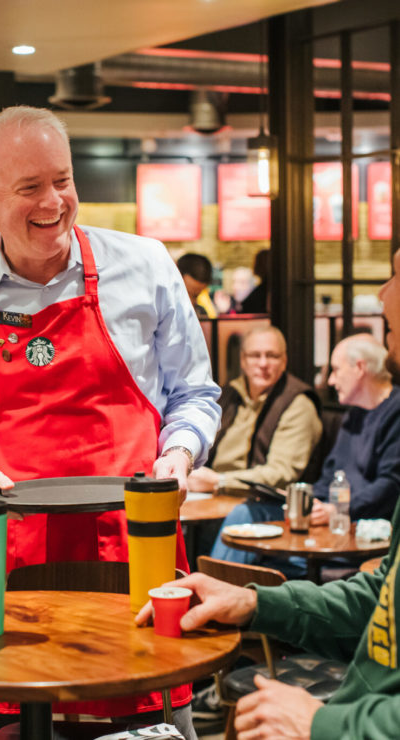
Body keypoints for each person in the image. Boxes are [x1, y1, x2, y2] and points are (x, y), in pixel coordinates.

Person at [0, 105, 222, 739]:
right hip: (7, 563)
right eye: (29, 188)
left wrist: (180, 455)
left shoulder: (147, 266)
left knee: (151, 720)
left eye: (64, 179)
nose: (54, 202)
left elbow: (196, 393)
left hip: (137, 545)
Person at [136, 253, 400, 738]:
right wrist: (252, 602)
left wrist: (325, 724)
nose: (382, 294)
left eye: (397, 275)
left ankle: (205, 686)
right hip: (354, 692)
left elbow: (290, 473)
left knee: (238, 516)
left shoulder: (302, 402)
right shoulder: (236, 395)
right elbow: (381, 600)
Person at [212, 333, 400, 569]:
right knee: (245, 514)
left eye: (335, 370)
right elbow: (328, 478)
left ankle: (213, 597)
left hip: (362, 530)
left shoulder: (395, 412)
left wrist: (337, 509)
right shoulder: (355, 414)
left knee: (262, 551)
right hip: (328, 521)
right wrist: (309, 505)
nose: (330, 381)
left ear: (359, 368)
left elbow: (391, 485)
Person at [187, 325, 323, 498]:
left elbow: (281, 473)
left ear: (284, 361)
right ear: (243, 360)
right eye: (255, 355)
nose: (263, 363)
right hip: (210, 492)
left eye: (272, 356)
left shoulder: (298, 404)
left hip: (263, 501)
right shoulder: (229, 394)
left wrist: (219, 481)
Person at [176, 253, 217, 318]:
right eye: (187, 294)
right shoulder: (163, 312)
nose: (192, 302)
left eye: (196, 296)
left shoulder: (200, 312)